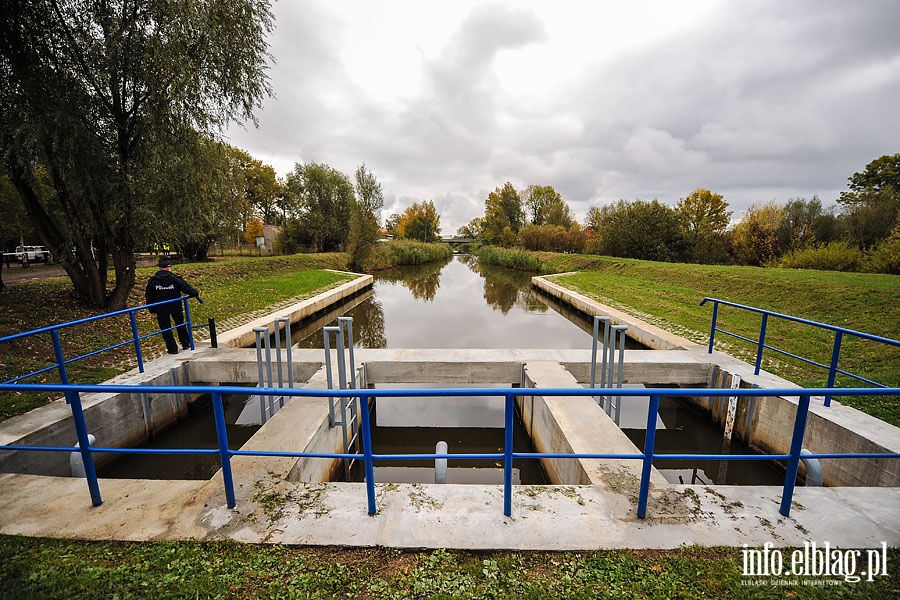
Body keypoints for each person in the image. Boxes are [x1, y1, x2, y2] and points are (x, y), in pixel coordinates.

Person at [145, 259, 201, 354]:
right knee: (180, 324)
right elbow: (186, 288)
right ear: (168, 268)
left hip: (161, 308)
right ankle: (185, 343)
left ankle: (172, 348)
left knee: (165, 328)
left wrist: (151, 309)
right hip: (175, 306)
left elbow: (149, 296)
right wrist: (195, 293)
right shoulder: (175, 278)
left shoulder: (153, 281)